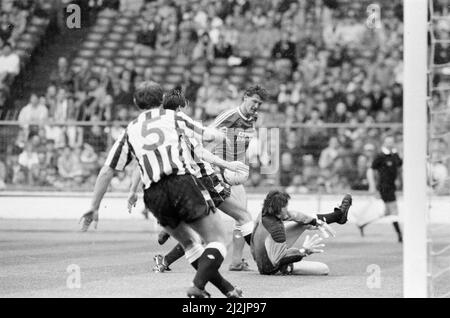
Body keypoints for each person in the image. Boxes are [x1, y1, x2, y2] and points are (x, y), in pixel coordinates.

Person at [79, 81, 242, 298]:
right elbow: (207, 136)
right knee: (219, 239)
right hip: (180, 183)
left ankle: (227, 290)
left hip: (153, 195)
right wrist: (222, 136)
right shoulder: (173, 116)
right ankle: (197, 286)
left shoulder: (130, 129)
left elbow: (107, 171)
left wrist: (94, 207)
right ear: (161, 99)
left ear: (137, 103)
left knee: (190, 245)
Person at [154, 86, 268, 271]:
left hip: (228, 174)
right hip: (215, 173)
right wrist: (220, 166)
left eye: (259, 103)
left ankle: (170, 245)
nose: (256, 106)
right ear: (245, 97)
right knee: (238, 217)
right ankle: (259, 261)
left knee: (231, 219)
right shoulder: (228, 116)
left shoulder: (252, 120)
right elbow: (205, 142)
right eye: (254, 101)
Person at [251, 191, 353, 276]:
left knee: (304, 221)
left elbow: (296, 216)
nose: (287, 209)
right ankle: (287, 269)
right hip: (273, 269)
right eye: (286, 206)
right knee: (324, 269)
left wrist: (316, 222)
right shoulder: (277, 230)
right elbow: (278, 260)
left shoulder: (264, 213)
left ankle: (338, 216)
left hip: (262, 258)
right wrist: (303, 251)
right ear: (280, 209)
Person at [360, 135, 403, 242]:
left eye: (392, 142)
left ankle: (363, 224)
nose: (390, 144)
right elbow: (371, 170)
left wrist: (399, 180)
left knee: (387, 213)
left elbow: (400, 167)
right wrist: (372, 185)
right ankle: (400, 235)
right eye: (388, 142)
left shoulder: (395, 155)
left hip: (392, 187)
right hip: (384, 187)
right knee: (394, 211)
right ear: (384, 143)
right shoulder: (380, 156)